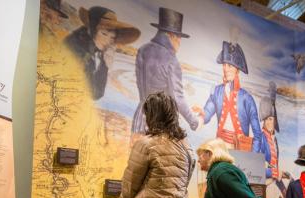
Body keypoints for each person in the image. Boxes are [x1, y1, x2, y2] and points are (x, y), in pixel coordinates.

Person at [131, 8, 200, 142]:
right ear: (171, 35)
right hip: (159, 124)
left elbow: (140, 86)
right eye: (179, 37)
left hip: (140, 118)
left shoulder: (142, 50)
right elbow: (177, 98)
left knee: (135, 160)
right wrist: (194, 121)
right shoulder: (171, 61)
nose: (180, 42)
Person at [197, 41, 266, 153]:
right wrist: (197, 119)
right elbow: (207, 112)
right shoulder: (216, 91)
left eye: (229, 65)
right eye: (224, 65)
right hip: (220, 150)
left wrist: (250, 158)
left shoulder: (247, 98)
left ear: (237, 70)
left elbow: (258, 136)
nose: (226, 69)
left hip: (239, 151)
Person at [65, 6, 140, 100]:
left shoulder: (91, 50)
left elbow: (97, 94)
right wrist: (104, 67)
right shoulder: (77, 48)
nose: (107, 41)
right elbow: (93, 94)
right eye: (104, 34)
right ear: (92, 30)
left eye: (112, 37)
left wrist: (105, 65)